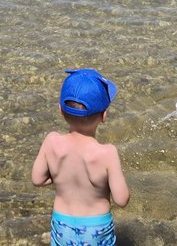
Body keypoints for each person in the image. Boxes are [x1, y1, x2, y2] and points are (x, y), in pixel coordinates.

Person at [32, 69, 130, 246]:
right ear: (104, 116)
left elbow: (37, 179)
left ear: (60, 109)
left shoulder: (51, 141)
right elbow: (121, 200)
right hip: (96, 229)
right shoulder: (107, 153)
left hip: (63, 225)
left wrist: (60, 177)